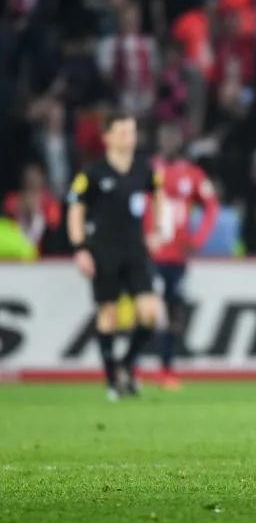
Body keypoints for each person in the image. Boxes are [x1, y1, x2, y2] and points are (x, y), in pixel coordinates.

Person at [66, 111, 167, 401]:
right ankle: (113, 379)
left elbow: (158, 195)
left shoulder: (144, 169)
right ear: (107, 137)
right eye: (122, 131)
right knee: (108, 314)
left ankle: (126, 364)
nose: (128, 137)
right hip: (103, 251)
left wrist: (157, 229)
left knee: (150, 313)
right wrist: (80, 249)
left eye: (131, 132)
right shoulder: (92, 173)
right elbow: (75, 210)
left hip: (135, 250)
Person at [146, 122, 219, 390]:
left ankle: (166, 369)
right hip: (150, 254)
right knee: (151, 310)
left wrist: (197, 239)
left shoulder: (192, 174)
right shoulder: (147, 170)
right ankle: (132, 365)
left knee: (173, 312)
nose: (168, 143)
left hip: (177, 256)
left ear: (180, 141)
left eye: (173, 138)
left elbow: (212, 206)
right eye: (164, 137)